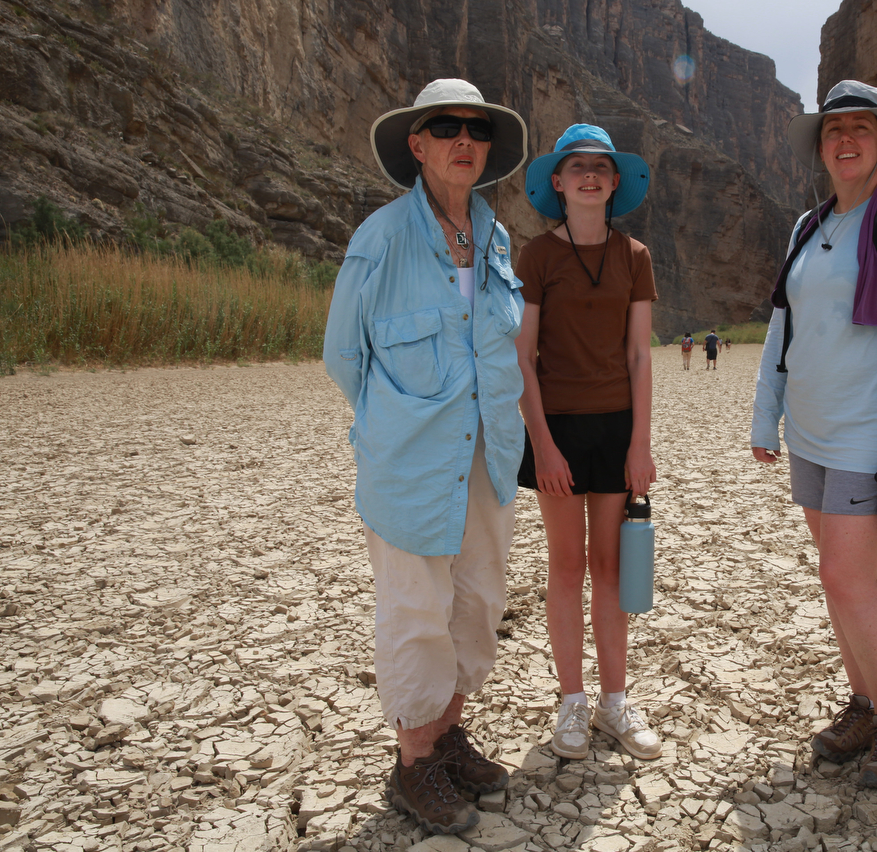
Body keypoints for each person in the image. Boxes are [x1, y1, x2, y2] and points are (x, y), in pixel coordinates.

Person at [323, 79, 528, 834]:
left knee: (476, 603)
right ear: (417, 144)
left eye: (475, 129)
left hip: (487, 457)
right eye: (446, 128)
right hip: (410, 463)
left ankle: (447, 737)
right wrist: (397, 425)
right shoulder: (380, 238)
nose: (462, 141)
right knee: (416, 612)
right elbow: (344, 355)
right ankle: (414, 765)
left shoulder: (498, 238)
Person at [750, 80, 877, 791]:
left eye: (860, 129)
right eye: (834, 129)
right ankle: (863, 707)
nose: (845, 141)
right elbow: (785, 324)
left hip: (871, 437)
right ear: (820, 145)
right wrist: (763, 411)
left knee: (848, 576)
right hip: (810, 433)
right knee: (838, 579)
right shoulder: (808, 227)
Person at [516, 124, 663, 761]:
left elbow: (639, 355)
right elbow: (522, 358)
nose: (590, 176)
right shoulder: (538, 256)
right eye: (577, 167)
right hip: (558, 429)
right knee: (566, 567)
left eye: (601, 167)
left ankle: (614, 704)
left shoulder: (635, 256)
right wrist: (542, 445)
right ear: (557, 181)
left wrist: (641, 445)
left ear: (614, 182)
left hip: (615, 430)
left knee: (609, 567)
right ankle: (571, 703)